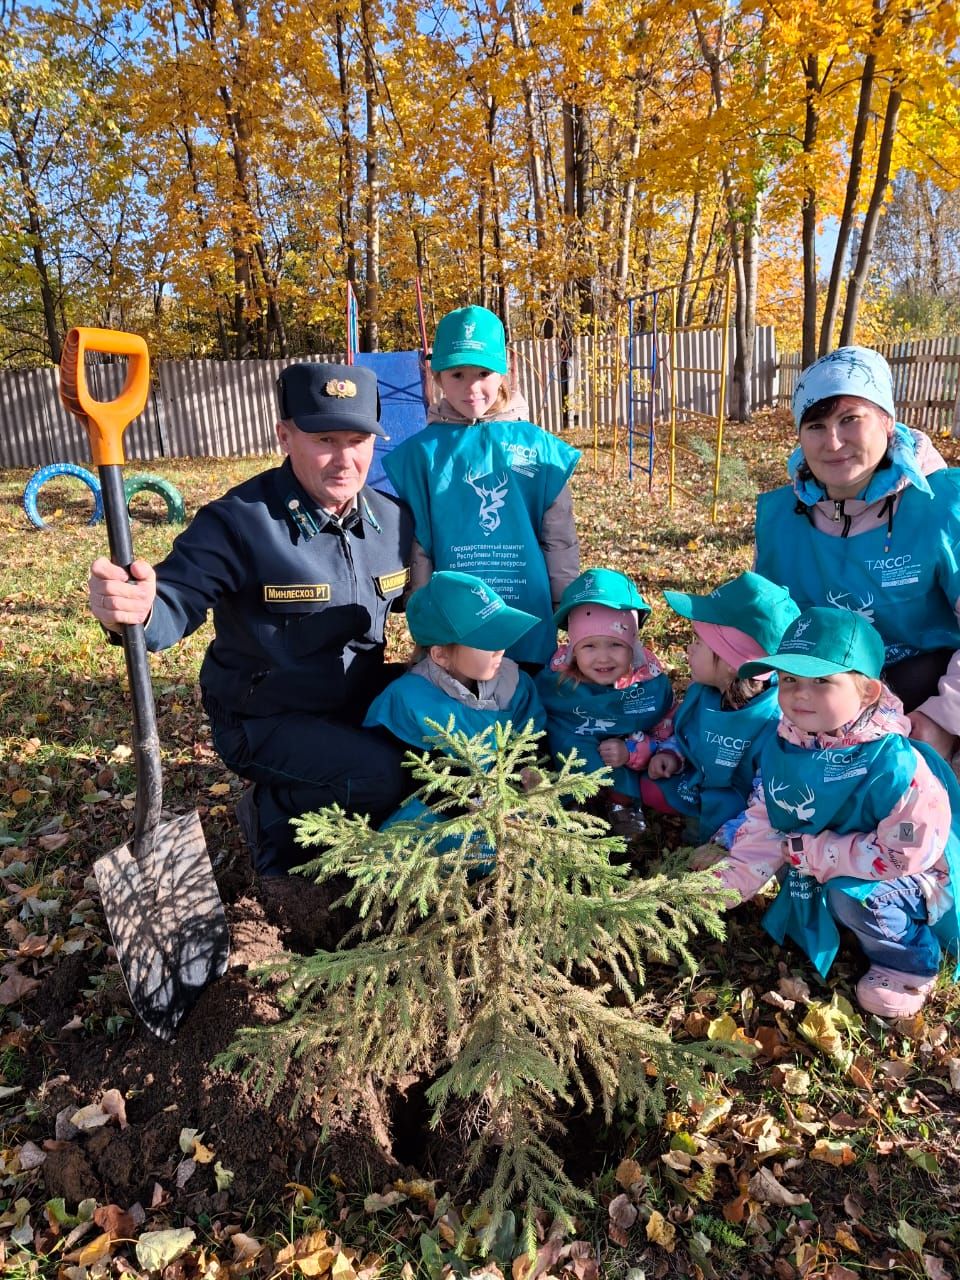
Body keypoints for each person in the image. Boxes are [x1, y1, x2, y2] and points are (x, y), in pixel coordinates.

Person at [87, 362, 414, 879]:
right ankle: (270, 821)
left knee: (441, 742)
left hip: (358, 701)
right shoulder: (240, 521)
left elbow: (419, 607)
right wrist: (140, 607)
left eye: (358, 439)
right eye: (324, 438)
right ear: (285, 435)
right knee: (378, 775)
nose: (345, 459)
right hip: (263, 717)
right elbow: (176, 598)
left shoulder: (392, 520)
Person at [700, 607, 960, 1018]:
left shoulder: (897, 768)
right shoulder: (788, 744)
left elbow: (908, 852)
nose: (800, 694)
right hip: (828, 856)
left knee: (848, 895)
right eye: (789, 680)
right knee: (813, 874)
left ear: (868, 693)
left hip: (912, 874)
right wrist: (725, 885)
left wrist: (819, 853)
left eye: (821, 680)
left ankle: (910, 964)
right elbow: (770, 821)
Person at [755, 344, 960, 760]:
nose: (833, 442)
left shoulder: (942, 507)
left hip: (924, 694)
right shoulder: (781, 518)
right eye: (815, 426)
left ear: (887, 421)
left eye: (850, 419)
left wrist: (944, 719)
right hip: (816, 693)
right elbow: (763, 626)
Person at [382, 304, 581, 667]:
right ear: (437, 376)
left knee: (528, 701)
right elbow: (421, 544)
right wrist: (425, 619)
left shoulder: (537, 448)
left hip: (527, 605)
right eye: (457, 374)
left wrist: (566, 606)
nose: (472, 387)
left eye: (484, 373)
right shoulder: (423, 454)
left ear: (503, 373)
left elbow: (559, 537)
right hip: (456, 613)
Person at [363, 571, 546, 871]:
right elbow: (405, 774)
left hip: (505, 802)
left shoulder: (514, 684)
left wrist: (527, 770)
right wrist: (468, 803)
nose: (500, 647)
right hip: (441, 814)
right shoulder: (408, 699)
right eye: (486, 640)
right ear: (440, 655)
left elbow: (529, 738)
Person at [644, 572, 800, 845]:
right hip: (703, 790)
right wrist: (674, 753)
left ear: (733, 663)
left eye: (698, 643)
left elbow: (768, 799)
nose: (688, 651)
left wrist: (731, 838)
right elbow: (691, 734)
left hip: (747, 822)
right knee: (647, 786)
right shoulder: (705, 691)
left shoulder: (775, 723)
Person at [535, 568, 674, 839]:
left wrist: (634, 749)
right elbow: (541, 718)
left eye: (615, 645)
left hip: (623, 761)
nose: (603, 658)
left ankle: (622, 803)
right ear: (573, 649)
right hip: (569, 759)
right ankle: (570, 802)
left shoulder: (646, 684)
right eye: (589, 647)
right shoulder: (557, 681)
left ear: (632, 647)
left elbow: (664, 729)